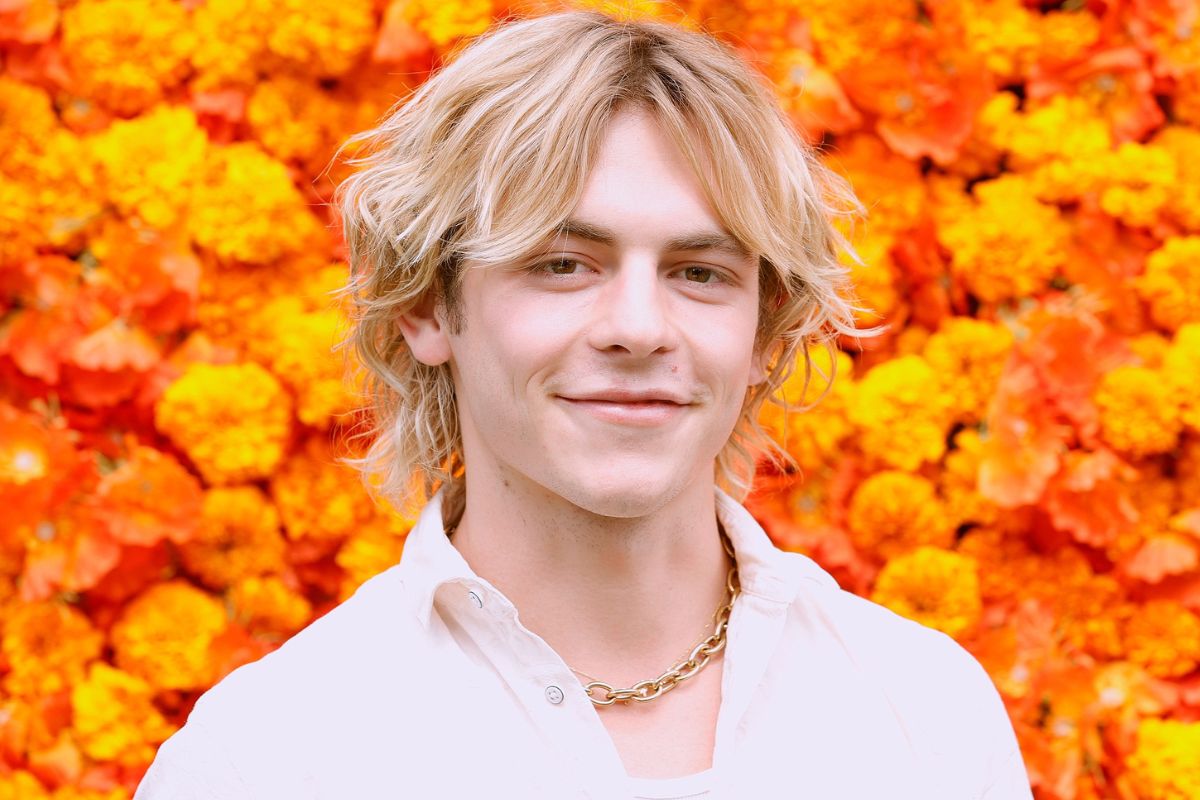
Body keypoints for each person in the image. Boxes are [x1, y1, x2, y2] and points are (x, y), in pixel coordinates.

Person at [134, 9, 1033, 799]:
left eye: (699, 272)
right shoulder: (268, 760)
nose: (639, 328)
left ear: (766, 329)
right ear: (425, 305)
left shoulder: (926, 715)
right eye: (562, 264)